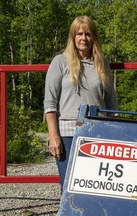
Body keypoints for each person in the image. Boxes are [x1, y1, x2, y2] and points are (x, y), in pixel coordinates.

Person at [44, 16, 118, 189]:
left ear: (93, 37)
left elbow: (111, 102)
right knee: (69, 184)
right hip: (68, 133)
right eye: (79, 34)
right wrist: (54, 136)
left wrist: (114, 133)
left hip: (98, 131)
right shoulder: (60, 62)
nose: (83, 38)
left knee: (94, 185)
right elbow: (50, 103)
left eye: (88, 34)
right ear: (72, 37)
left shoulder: (101, 64)